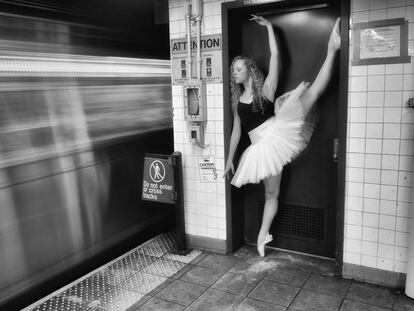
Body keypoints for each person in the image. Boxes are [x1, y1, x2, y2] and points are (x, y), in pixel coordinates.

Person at [224, 15, 341, 257]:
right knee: (270, 193)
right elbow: (237, 131)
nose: (234, 72)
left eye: (238, 68)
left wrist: (269, 28)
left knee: (314, 93)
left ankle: (332, 49)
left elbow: (275, 56)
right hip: (259, 147)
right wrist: (229, 160)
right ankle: (262, 235)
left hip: (277, 133)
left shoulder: (265, 88)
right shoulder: (237, 101)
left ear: (249, 70)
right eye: (233, 69)